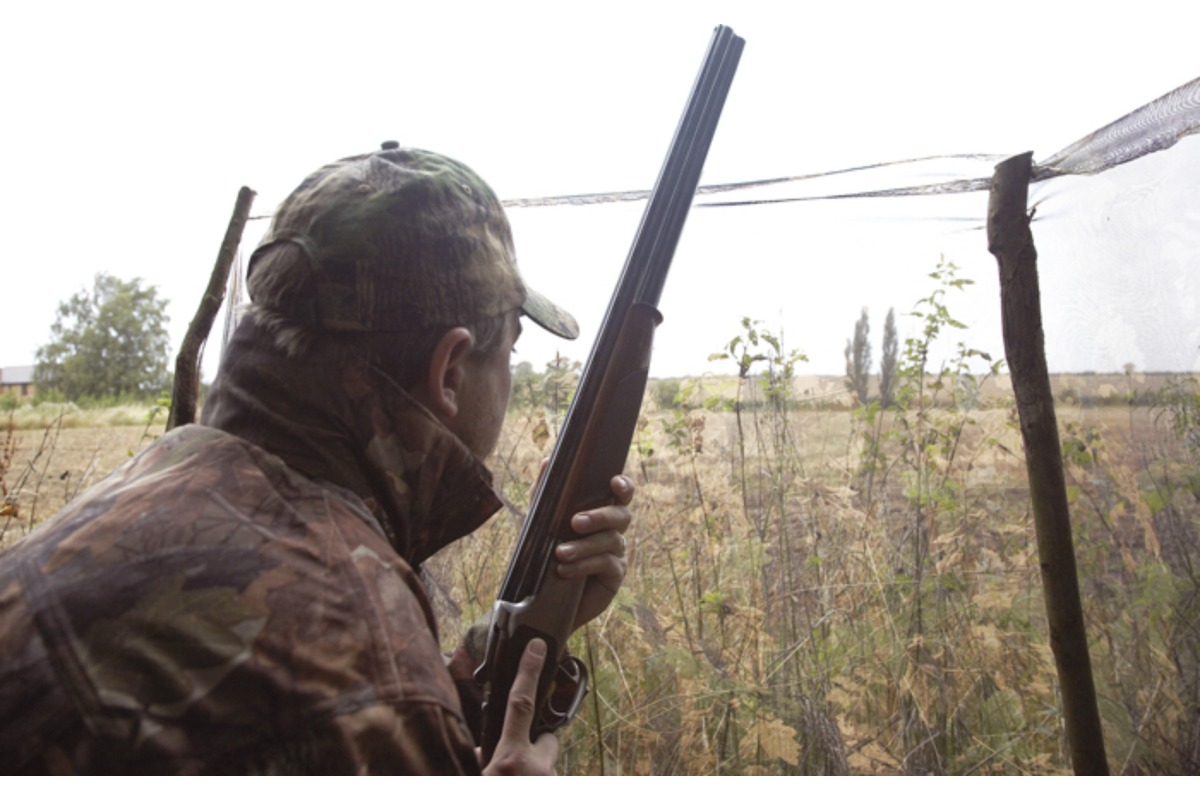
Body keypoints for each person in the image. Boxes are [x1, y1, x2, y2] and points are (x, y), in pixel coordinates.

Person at [0, 143, 633, 775]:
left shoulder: (147, 484)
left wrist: (514, 633)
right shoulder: (364, 659)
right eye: (511, 354)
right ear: (448, 372)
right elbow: (356, 705)